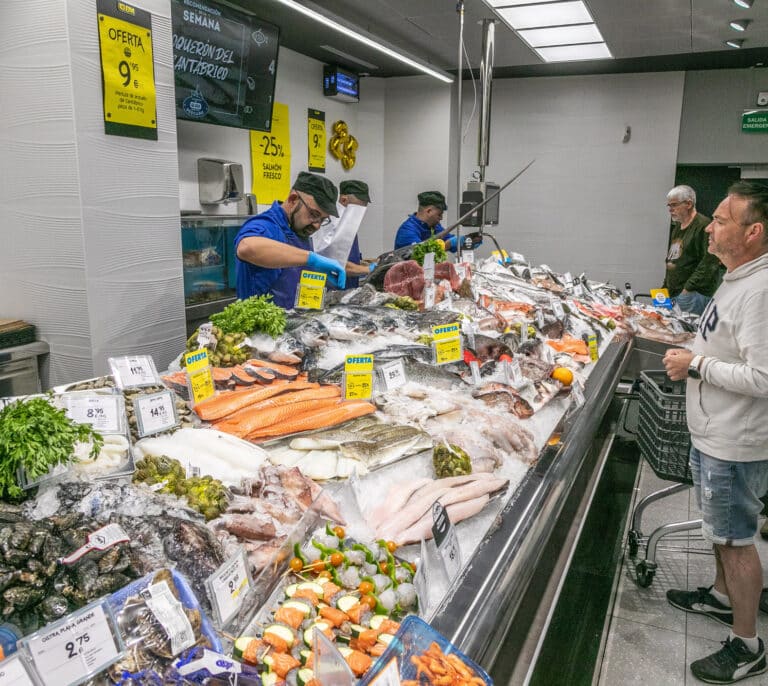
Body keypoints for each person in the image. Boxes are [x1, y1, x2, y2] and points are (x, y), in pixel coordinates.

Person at [662, 180, 768, 684]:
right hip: (715, 431)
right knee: (718, 532)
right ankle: (722, 598)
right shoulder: (736, 277)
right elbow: (721, 342)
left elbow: (764, 377)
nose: (711, 226)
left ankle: (747, 645)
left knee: (735, 540)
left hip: (736, 439)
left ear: (754, 231)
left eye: (722, 220)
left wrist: (697, 365)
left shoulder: (762, 290)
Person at [235, 172, 347, 308]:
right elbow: (247, 247)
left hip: (295, 322)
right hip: (262, 326)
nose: (317, 225)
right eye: (314, 214)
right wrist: (312, 259)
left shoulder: (299, 231)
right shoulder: (267, 226)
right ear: (293, 199)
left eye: (323, 220)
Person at [662, 184, 722, 315]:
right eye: (669, 206)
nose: (670, 209)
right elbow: (673, 258)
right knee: (662, 326)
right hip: (672, 292)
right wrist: (664, 289)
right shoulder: (678, 226)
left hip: (691, 295)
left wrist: (688, 289)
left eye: (674, 205)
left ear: (688, 204)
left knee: (684, 333)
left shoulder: (704, 226)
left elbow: (710, 261)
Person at [312, 179, 373, 289]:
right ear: (344, 200)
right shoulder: (328, 223)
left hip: (348, 288)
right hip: (329, 291)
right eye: (358, 209)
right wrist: (368, 269)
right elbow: (332, 261)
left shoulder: (348, 224)